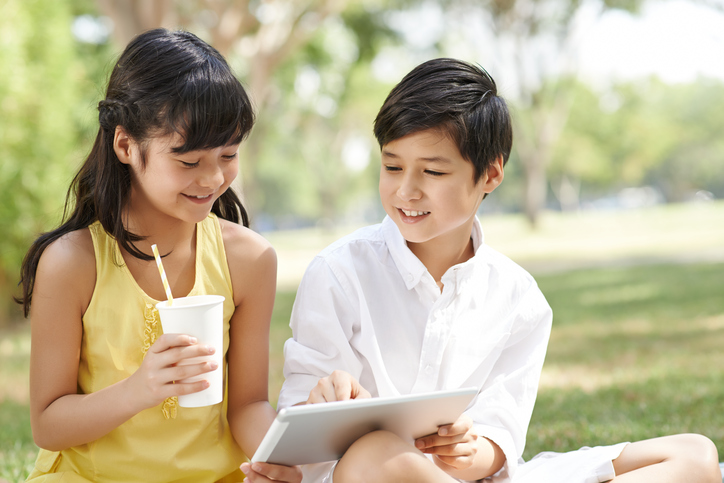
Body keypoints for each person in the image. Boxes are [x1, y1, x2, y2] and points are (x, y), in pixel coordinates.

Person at [277, 58, 721, 483]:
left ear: (490, 174)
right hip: (372, 474)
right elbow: (298, 447)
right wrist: (321, 403)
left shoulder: (517, 297)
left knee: (694, 457)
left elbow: (499, 442)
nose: (405, 190)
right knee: (374, 452)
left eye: (432, 171)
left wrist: (469, 450)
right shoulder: (339, 274)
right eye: (392, 166)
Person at [17, 28, 301, 483]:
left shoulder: (249, 260)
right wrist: (139, 390)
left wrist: (279, 461)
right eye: (188, 162)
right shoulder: (72, 263)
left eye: (228, 155)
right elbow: (48, 424)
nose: (212, 179)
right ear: (126, 145)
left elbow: (248, 405)